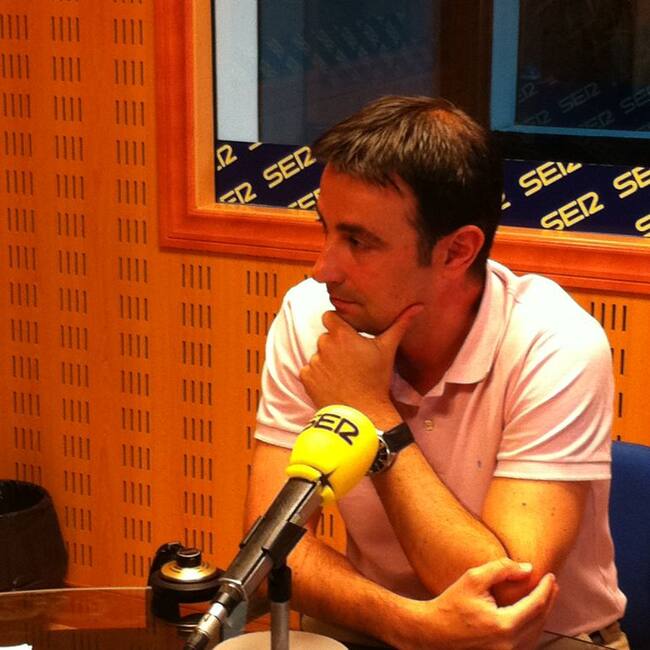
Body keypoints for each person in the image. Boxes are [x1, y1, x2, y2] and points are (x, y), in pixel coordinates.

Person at [245, 96, 628, 649]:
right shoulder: (313, 321)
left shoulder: (555, 343)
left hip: (546, 641)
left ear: (456, 252)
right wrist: (405, 623)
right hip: (377, 627)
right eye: (325, 229)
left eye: (359, 241)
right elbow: (268, 547)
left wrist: (371, 413)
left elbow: (505, 601)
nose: (323, 268)